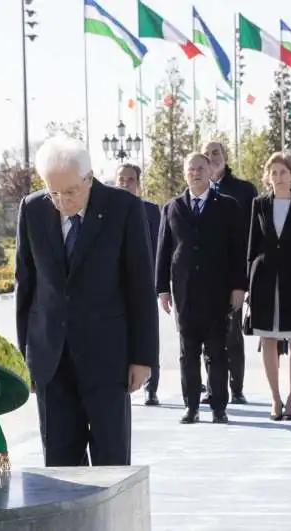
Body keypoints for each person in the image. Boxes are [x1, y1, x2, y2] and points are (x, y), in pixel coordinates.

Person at [14, 136, 158, 466]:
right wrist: (27, 358)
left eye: (70, 192)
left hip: (108, 359)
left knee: (111, 461)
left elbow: (139, 286)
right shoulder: (32, 210)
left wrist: (143, 357)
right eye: (54, 193)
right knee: (61, 465)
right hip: (52, 360)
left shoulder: (124, 208)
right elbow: (26, 287)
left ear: (89, 178)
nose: (62, 201)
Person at [156, 152, 246, 424]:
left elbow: (238, 250)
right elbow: (163, 251)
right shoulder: (172, 207)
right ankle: (191, 406)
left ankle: (219, 406)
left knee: (217, 350)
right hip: (185, 293)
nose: (195, 173)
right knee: (188, 352)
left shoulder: (228, 206)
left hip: (218, 292)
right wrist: (162, 289)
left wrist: (239, 286)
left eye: (200, 168)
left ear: (210, 172)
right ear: (185, 173)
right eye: (190, 169)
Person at [244, 153, 291, 421]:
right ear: (268, 177)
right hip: (265, 280)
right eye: (273, 173)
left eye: (283, 172)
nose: (278, 177)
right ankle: (275, 398)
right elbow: (252, 246)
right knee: (268, 337)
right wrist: (247, 285)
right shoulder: (259, 204)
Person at [201, 141, 257, 405]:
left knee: (232, 334)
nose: (212, 157)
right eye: (208, 153)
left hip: (233, 274)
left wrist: (247, 279)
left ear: (225, 157)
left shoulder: (243, 191)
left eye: (216, 153)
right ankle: (213, 389)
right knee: (206, 335)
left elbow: (253, 235)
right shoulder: (193, 190)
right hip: (202, 277)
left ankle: (236, 388)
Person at [114, 162, 162, 406]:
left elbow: (158, 246)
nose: (124, 183)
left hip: (144, 283)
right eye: (121, 179)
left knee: (145, 332)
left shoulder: (151, 210)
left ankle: (151, 387)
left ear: (138, 184)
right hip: (116, 287)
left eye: (130, 179)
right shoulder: (107, 211)